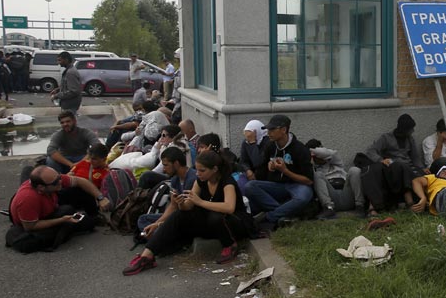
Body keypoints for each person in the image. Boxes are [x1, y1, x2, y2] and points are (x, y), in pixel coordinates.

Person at [123, 149, 255, 274]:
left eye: (202, 170)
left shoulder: (227, 182)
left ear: (214, 169)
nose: (198, 173)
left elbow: (229, 207)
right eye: (197, 170)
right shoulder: (200, 181)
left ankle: (230, 245)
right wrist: (179, 203)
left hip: (234, 223)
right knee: (179, 215)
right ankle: (147, 256)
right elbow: (188, 206)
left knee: (215, 216)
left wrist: (201, 202)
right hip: (212, 224)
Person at [6, 165, 109, 253]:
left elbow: (80, 181)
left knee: (80, 190)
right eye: (56, 182)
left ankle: (94, 214)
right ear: (41, 187)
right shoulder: (28, 198)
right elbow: (31, 226)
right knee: (76, 216)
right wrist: (62, 220)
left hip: (49, 199)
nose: (60, 182)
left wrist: (100, 198)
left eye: (59, 177)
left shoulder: (52, 182)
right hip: (37, 221)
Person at [243, 115, 314, 231]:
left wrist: (285, 171)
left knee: (303, 197)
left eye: (272, 129)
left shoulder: (300, 149)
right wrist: (268, 166)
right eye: (268, 129)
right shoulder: (270, 146)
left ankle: (269, 216)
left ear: (284, 130)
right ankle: (284, 213)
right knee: (250, 186)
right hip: (277, 186)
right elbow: (259, 169)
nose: (268, 132)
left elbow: (308, 180)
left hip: (297, 185)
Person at [358, 114, 423, 215]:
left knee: (421, 175)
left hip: (408, 167)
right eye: (410, 129)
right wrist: (380, 159)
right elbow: (371, 151)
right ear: (403, 129)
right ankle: (409, 202)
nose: (412, 132)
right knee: (401, 167)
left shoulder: (410, 139)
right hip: (394, 167)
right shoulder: (386, 138)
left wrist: (422, 168)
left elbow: (415, 157)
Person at [136, 144, 199, 233]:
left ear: (176, 164)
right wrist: (156, 224)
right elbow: (173, 206)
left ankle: (156, 236)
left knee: (167, 224)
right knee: (143, 219)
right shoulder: (175, 179)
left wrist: (158, 224)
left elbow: (184, 209)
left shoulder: (192, 179)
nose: (164, 170)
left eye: (166, 165)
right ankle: (154, 234)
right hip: (176, 214)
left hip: (187, 217)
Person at [308, 140, 364, 219]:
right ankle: (328, 209)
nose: (322, 156)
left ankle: (360, 207)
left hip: (347, 194)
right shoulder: (313, 169)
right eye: (317, 155)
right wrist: (309, 156)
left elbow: (331, 153)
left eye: (322, 150)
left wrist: (311, 150)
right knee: (317, 175)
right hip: (333, 199)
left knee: (354, 170)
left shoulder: (336, 162)